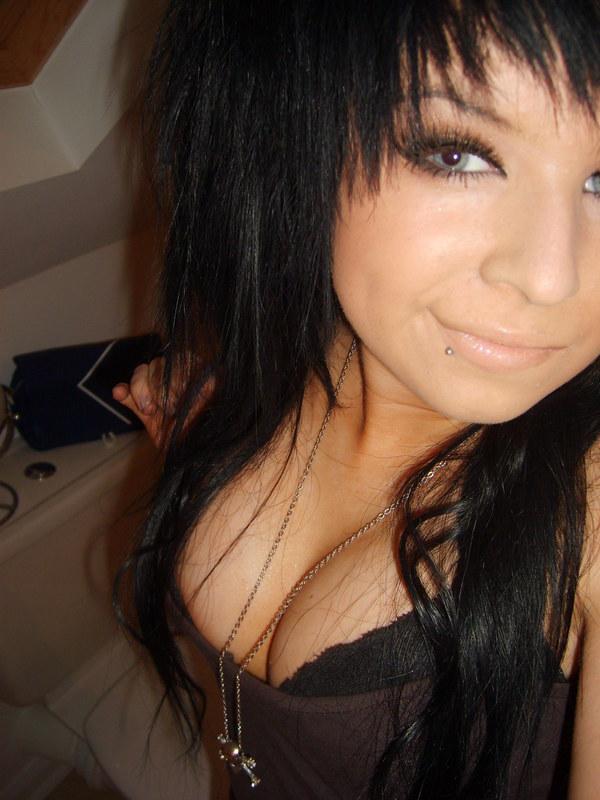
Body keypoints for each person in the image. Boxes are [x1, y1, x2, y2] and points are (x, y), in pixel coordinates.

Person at [113, 1, 600, 797]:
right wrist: (204, 431)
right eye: (457, 154)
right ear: (305, 134)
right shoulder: (279, 364)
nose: (552, 279)